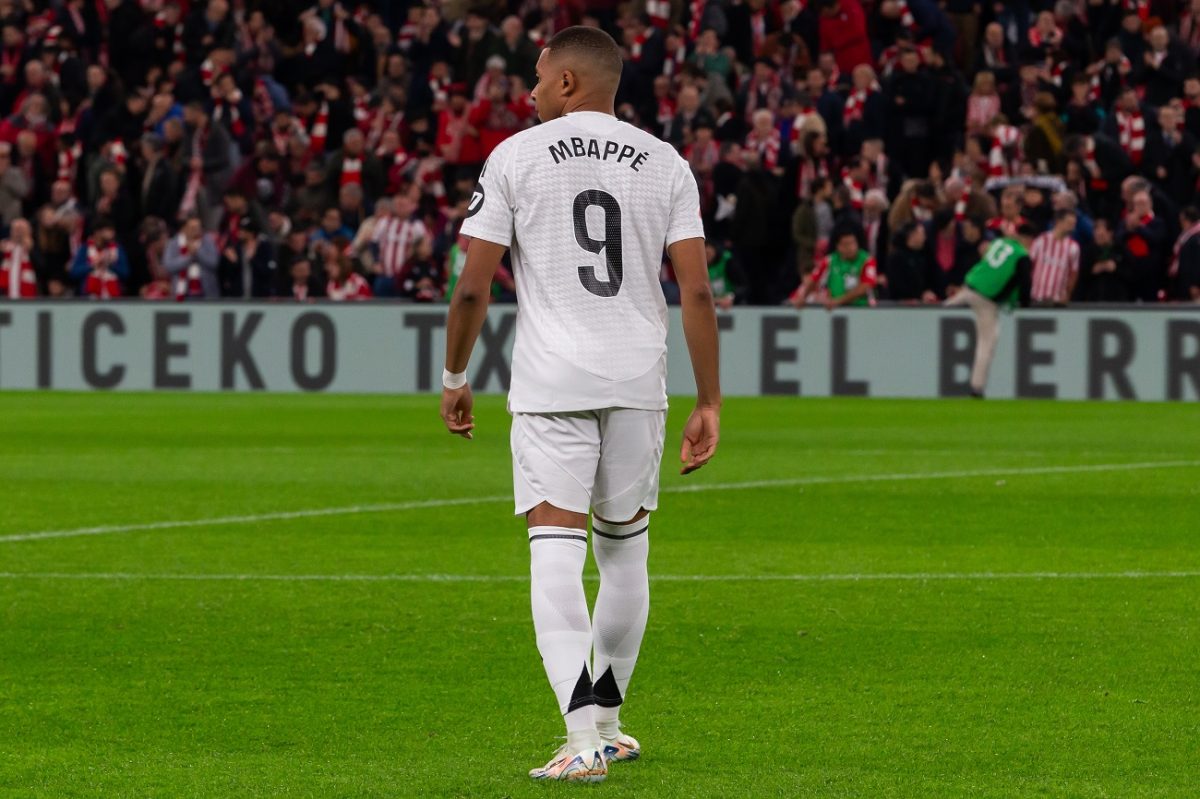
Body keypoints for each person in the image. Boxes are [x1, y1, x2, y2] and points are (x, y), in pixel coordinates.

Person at [440, 27, 720, 784]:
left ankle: (580, 738)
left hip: (552, 383)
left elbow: (472, 287)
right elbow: (696, 291)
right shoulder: (665, 161)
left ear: (567, 82)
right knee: (625, 551)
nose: (530, 90)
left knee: (554, 551)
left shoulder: (515, 156)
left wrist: (455, 374)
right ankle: (609, 725)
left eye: (538, 77)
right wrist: (710, 400)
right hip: (637, 380)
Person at [944, 221, 1036, 397]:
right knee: (986, 343)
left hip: (968, 287)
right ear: (1029, 239)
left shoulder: (999, 242)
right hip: (985, 299)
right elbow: (1024, 283)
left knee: (939, 314)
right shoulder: (1022, 255)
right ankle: (977, 387)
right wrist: (1023, 304)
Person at [790, 225, 878, 308]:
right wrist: (803, 297)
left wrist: (839, 301)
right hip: (836, 309)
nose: (851, 247)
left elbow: (866, 286)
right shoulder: (829, 261)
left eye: (853, 243)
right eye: (847, 244)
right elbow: (813, 280)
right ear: (839, 246)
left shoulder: (867, 260)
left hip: (862, 308)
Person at [1029, 209, 1081, 306]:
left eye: (1074, 224)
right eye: (1069, 223)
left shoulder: (1073, 247)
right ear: (1058, 222)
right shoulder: (1041, 241)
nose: (1072, 227)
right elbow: (1029, 265)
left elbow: (1073, 274)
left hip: (1057, 301)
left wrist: (1067, 295)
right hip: (1036, 297)